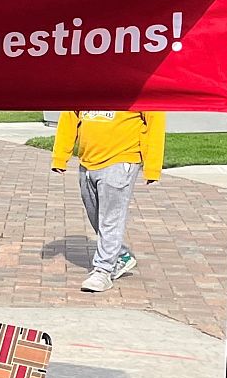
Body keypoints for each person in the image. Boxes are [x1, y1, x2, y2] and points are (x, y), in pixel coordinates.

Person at [51, 109, 165, 293]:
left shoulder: (139, 89)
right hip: (87, 162)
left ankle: (103, 270)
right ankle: (121, 256)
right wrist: (60, 156)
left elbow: (155, 123)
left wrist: (152, 167)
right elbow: (69, 117)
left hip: (122, 159)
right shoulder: (84, 84)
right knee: (95, 214)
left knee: (110, 218)